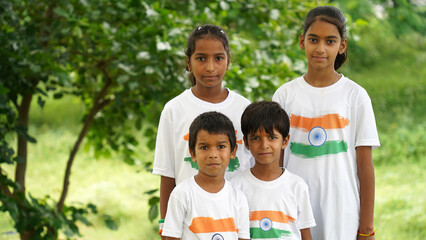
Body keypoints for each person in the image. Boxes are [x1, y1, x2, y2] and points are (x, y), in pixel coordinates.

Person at [272, 5, 380, 240]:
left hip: (342, 214)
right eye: (314, 39)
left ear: (342, 45)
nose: (320, 48)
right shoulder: (284, 95)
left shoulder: (355, 96)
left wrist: (367, 228)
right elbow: (275, 162)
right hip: (293, 212)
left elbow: (365, 167)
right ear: (302, 41)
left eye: (330, 41)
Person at [152, 24, 253, 236]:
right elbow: (167, 174)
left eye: (218, 58)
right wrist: (165, 227)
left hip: (234, 223)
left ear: (228, 62)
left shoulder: (244, 109)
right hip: (191, 225)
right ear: (188, 63)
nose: (210, 67)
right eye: (201, 58)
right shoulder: (174, 110)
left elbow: (252, 168)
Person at [231, 101, 316, 240]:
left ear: (285, 141)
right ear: (246, 143)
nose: (264, 145)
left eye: (272, 138)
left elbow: (305, 234)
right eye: (256, 138)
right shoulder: (236, 187)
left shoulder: (297, 186)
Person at [161, 112, 250, 240]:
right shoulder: (182, 194)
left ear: (233, 151)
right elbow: (170, 237)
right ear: (193, 153)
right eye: (204, 147)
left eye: (221, 146)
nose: (213, 154)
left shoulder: (238, 198)